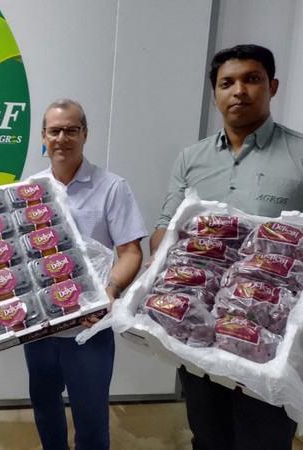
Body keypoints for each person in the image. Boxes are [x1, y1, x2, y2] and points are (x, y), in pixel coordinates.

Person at [150, 44, 303, 449]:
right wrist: (159, 266)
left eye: (252, 79)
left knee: (263, 439)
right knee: (207, 433)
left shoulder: (300, 154)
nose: (239, 91)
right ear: (215, 92)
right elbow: (165, 225)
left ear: (272, 86)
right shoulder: (192, 158)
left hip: (270, 331)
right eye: (226, 83)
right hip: (199, 324)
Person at [24, 98, 148, 450]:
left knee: (91, 419)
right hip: (42, 327)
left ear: (85, 134)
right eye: (54, 131)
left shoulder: (112, 187)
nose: (62, 138)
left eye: (71, 130)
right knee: (45, 408)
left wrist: (111, 289)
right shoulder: (29, 189)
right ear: (43, 136)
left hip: (90, 325)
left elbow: (131, 251)